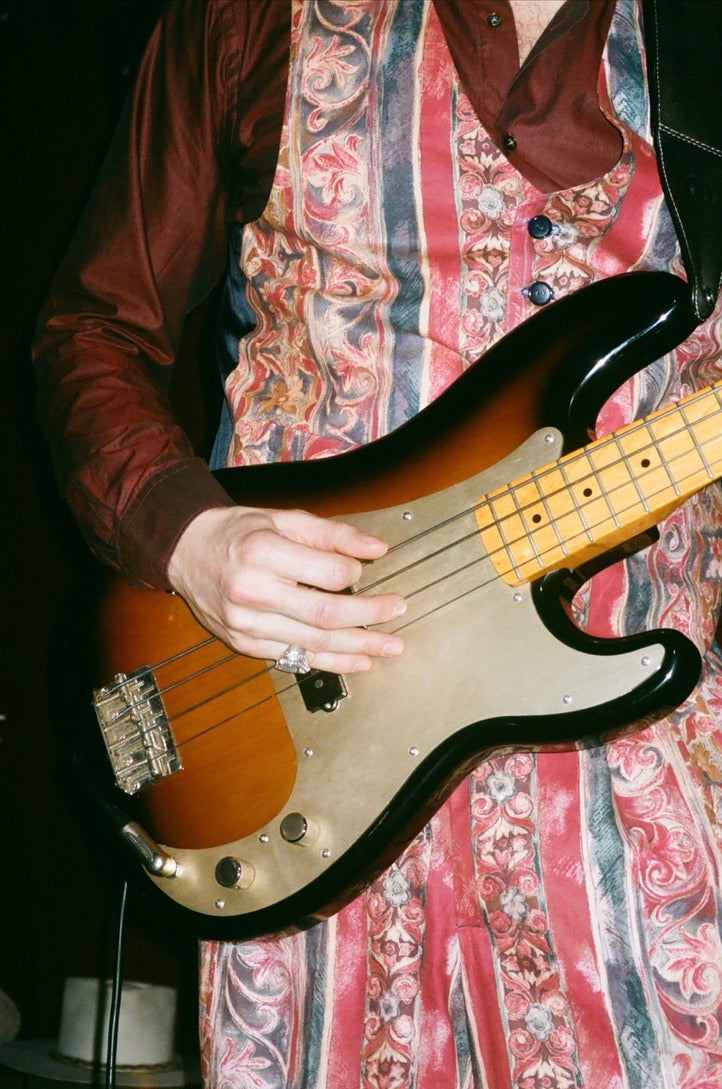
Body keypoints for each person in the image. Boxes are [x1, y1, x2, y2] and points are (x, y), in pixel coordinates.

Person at [32, 1, 722, 1086]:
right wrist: (192, 539)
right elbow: (92, 329)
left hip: (624, 770)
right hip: (288, 736)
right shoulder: (246, 16)